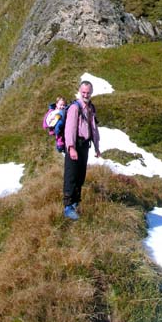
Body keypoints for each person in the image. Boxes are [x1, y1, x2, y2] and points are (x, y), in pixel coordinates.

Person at [63, 80, 101, 220]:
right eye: (83, 92)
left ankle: (76, 203)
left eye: (88, 92)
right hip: (75, 145)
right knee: (71, 176)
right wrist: (71, 148)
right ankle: (67, 207)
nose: (86, 94)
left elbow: (93, 129)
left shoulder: (91, 107)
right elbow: (70, 129)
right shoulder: (75, 107)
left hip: (85, 145)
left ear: (91, 92)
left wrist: (97, 147)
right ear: (80, 91)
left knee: (80, 176)